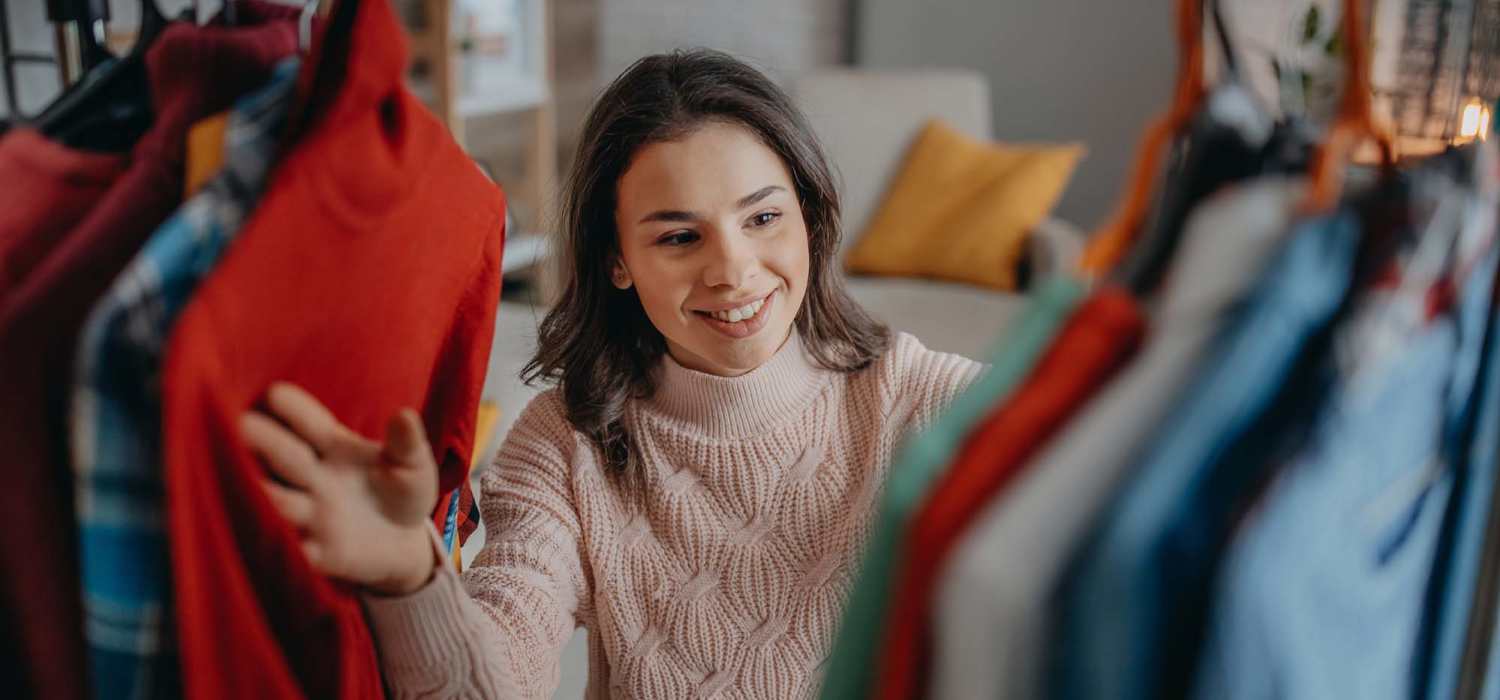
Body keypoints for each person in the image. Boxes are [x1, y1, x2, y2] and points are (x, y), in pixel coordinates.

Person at [239, 49, 983, 698]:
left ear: (810, 219)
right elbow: (494, 681)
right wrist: (409, 577)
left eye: (762, 219)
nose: (733, 270)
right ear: (617, 261)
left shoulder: (914, 397)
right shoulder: (564, 444)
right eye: (680, 237)